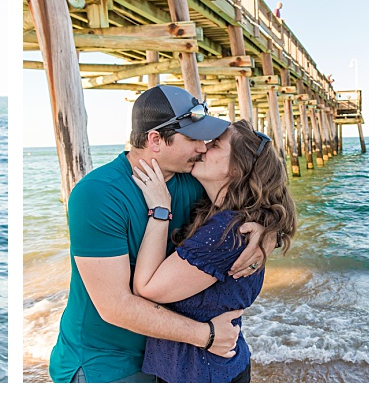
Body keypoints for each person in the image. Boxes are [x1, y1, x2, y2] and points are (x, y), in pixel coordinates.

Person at [48, 85, 277, 383]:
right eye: (193, 138)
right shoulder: (98, 194)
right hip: (107, 362)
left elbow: (252, 197)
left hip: (169, 356)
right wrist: (206, 336)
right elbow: (115, 306)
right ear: (155, 139)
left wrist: (267, 232)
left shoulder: (194, 180)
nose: (203, 147)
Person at [131, 120, 297, 382]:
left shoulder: (229, 232)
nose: (203, 147)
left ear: (236, 169)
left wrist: (160, 211)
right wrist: (271, 232)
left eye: (215, 145)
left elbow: (147, 288)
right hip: (219, 366)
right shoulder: (240, 220)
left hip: (201, 374)